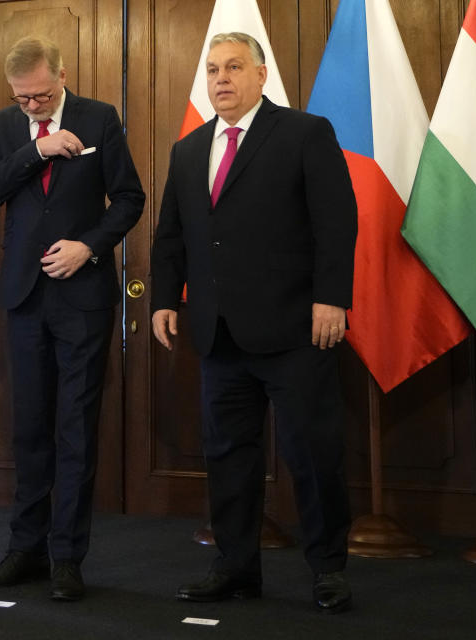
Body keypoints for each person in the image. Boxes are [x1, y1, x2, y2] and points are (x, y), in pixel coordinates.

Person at [151, 32, 357, 614]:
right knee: (227, 457)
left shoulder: (303, 133)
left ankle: (328, 569)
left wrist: (331, 299)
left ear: (261, 75)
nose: (221, 79)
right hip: (218, 333)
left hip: (295, 328)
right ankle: (237, 566)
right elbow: (172, 235)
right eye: (213, 69)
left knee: (313, 455)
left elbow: (336, 224)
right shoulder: (189, 149)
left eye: (234, 67)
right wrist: (166, 299)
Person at [0, 37, 144, 601]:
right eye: (22, 99)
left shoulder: (99, 117)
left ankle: (67, 556)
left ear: (61, 76)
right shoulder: (4, 126)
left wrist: (88, 248)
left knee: (74, 428)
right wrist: (37, 151)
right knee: (29, 428)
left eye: (41, 96)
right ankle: (25, 549)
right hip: (23, 299)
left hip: (82, 299)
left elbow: (129, 199)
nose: (32, 107)